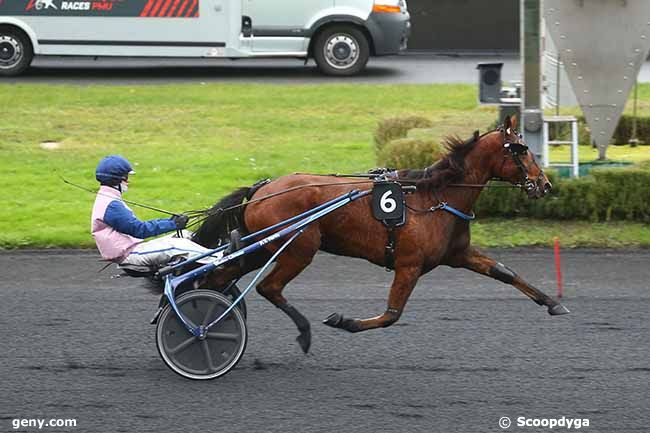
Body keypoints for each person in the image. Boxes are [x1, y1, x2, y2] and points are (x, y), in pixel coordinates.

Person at [90, 155, 221, 268]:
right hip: (130, 255)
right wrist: (172, 224)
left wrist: (171, 222)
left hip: (132, 249)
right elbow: (139, 230)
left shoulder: (108, 199)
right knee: (177, 245)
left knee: (185, 235)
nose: (128, 181)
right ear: (116, 180)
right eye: (126, 178)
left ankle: (214, 253)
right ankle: (220, 259)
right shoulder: (111, 205)